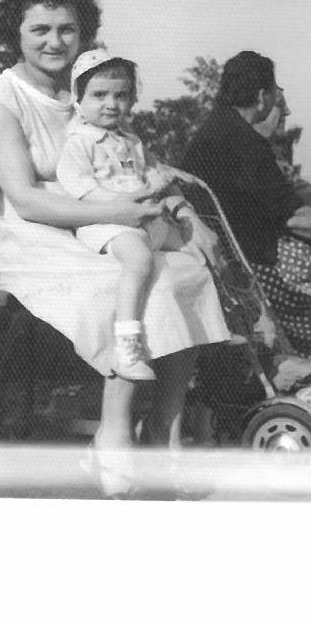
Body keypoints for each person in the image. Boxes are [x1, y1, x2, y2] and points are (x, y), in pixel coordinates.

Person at [0, 0, 230, 494]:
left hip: (104, 217)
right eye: (40, 29)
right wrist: (118, 211)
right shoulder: (0, 98)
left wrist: (186, 213)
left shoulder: (92, 89)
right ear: (15, 32)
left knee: (185, 271)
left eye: (66, 29)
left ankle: (164, 426)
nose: (54, 41)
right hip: (34, 229)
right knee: (124, 283)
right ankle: (114, 432)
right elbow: (25, 198)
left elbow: (141, 166)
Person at [183, 51, 311, 358]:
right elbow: (296, 218)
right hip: (261, 264)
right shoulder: (245, 142)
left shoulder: (213, 130)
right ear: (261, 96)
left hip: (227, 257)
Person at [57, 48, 200, 382]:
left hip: (144, 218)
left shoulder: (131, 141)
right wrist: (125, 202)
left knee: (194, 247)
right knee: (139, 259)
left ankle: (211, 318)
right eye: (99, 95)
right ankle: (126, 345)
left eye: (120, 96)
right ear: (79, 99)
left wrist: (160, 181)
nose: (111, 104)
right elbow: (82, 188)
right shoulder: (80, 142)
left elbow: (145, 173)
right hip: (106, 222)